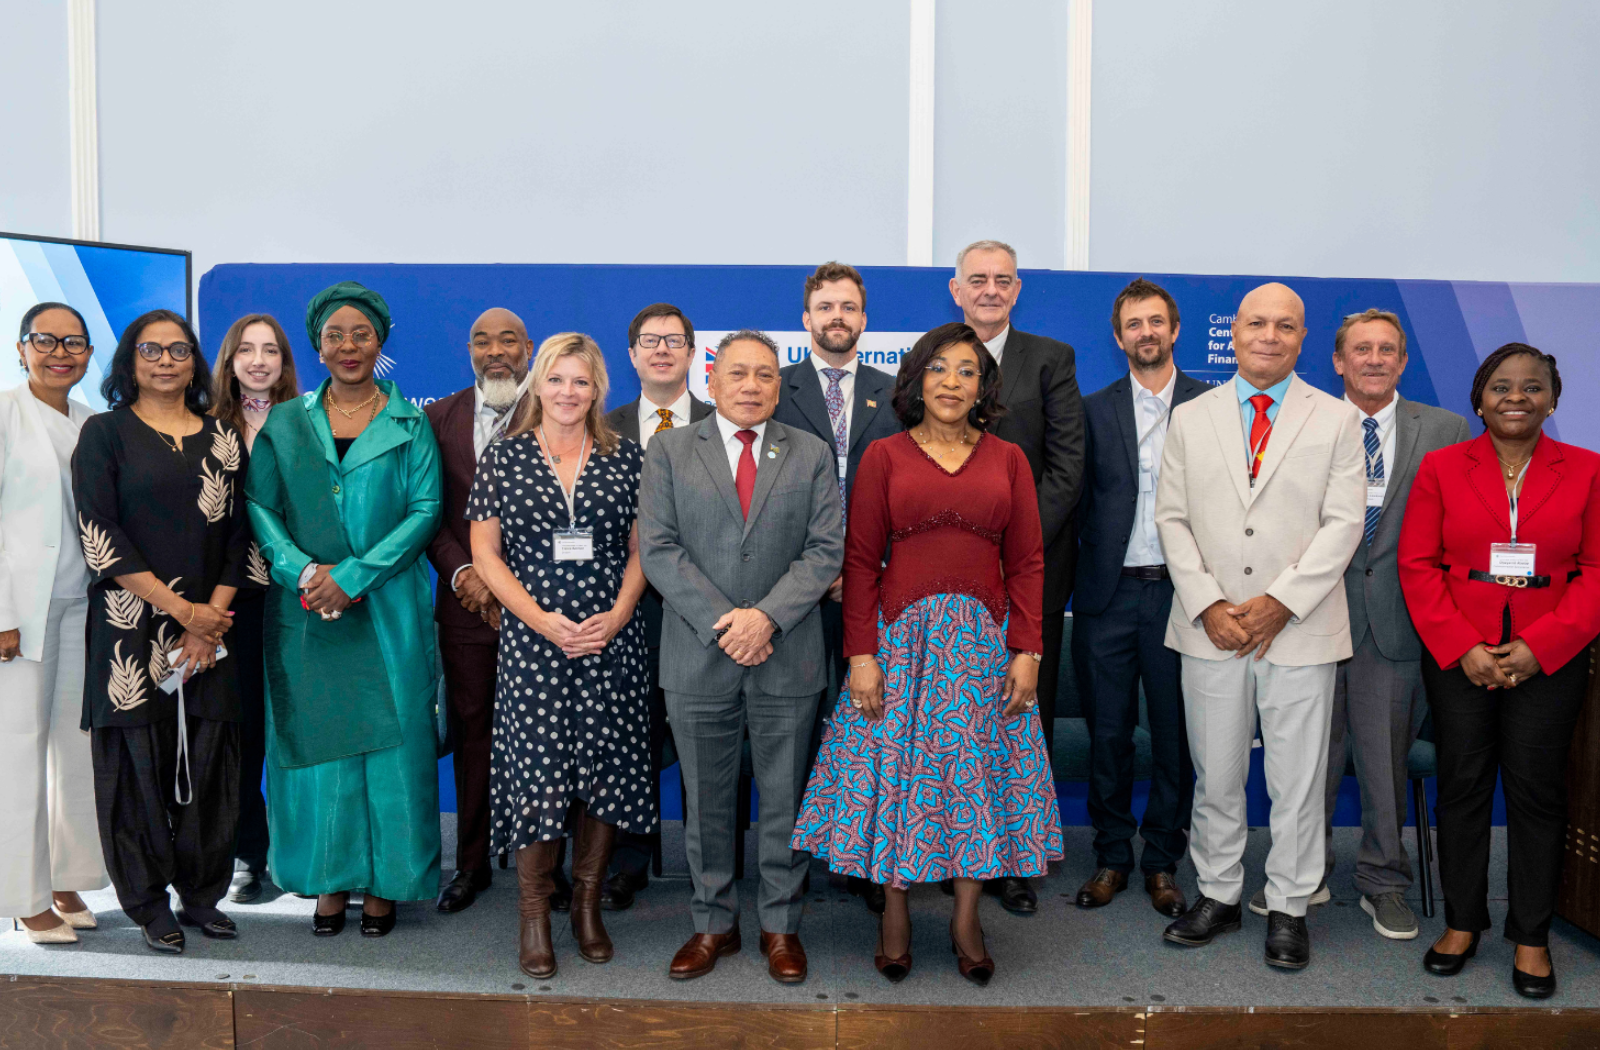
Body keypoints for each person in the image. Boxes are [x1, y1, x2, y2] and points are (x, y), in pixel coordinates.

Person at [794, 322, 1062, 986]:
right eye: (939, 368)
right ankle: (895, 910)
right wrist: (861, 655)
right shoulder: (884, 455)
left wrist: (1028, 649)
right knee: (899, 781)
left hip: (982, 650)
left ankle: (967, 917)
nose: (951, 382)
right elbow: (859, 562)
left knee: (974, 782)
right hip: (900, 647)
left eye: (966, 371)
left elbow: (1028, 562)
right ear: (917, 379)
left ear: (983, 387)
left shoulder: (1008, 460)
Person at [1154, 282, 1364, 971]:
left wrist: (1281, 601)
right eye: (1256, 324)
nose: (1269, 336)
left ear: (1304, 339)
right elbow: (1172, 519)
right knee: (1214, 773)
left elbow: (1343, 525)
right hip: (1209, 628)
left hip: (1298, 628)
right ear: (1233, 333)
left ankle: (1289, 906)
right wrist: (1209, 603)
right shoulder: (1192, 416)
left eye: (1285, 326)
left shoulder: (1336, 419)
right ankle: (1215, 893)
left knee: (1297, 779)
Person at [1242, 310, 1470, 937]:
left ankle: (1383, 880)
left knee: (1383, 758)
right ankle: (1302, 872)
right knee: (1304, 757)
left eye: (1386, 350)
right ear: (1337, 361)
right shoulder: (1301, 419)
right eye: (1360, 349)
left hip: (1394, 620)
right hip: (1306, 612)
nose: (1374, 359)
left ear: (1402, 362)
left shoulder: (1447, 430)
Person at [638, 330, 843, 985]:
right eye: (738, 374)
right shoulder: (669, 449)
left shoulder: (810, 453)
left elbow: (824, 551)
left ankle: (781, 927)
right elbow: (660, 549)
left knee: (786, 801)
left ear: (779, 386)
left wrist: (767, 620)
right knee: (707, 804)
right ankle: (712, 926)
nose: (752, 386)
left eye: (765, 375)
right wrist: (729, 623)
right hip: (699, 653)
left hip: (789, 654)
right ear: (713, 379)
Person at [1400, 343, 1600, 1000]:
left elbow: (1596, 571)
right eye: (1502, 387)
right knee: (1462, 788)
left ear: (1552, 398)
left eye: (1532, 387)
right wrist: (1462, 646)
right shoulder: (1440, 467)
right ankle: (1462, 924)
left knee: (1537, 796)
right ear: (1480, 398)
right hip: (1462, 656)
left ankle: (1532, 935)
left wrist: (1544, 645)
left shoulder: (1589, 471)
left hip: (1551, 657)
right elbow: (1419, 564)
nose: (1516, 397)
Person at [244, 281, 443, 938]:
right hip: (306, 615)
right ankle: (328, 883)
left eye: (361, 333)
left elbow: (424, 513)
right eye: (335, 334)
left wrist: (353, 577)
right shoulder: (285, 423)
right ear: (317, 344)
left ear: (380, 342)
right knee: (322, 748)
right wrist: (304, 571)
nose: (348, 346)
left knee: (391, 750)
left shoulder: (410, 424)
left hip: (388, 613)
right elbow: (261, 508)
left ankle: (387, 885)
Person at [467, 332, 654, 980]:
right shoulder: (504, 457)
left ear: (598, 389)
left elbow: (642, 550)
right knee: (540, 775)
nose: (568, 393)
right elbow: (485, 553)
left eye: (581, 381)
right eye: (557, 380)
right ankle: (533, 912)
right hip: (534, 642)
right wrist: (541, 619)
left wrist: (622, 613)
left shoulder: (627, 458)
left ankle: (585, 904)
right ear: (537, 385)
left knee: (605, 773)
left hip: (610, 641)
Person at [72, 309, 251, 954]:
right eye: (152, 349)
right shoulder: (104, 434)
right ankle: (148, 905)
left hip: (212, 631)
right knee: (136, 769)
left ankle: (202, 896)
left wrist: (208, 623)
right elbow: (101, 536)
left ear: (196, 363)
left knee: (210, 763)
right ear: (129, 361)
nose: (167, 361)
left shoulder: (224, 437)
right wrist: (183, 614)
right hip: (129, 630)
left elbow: (239, 538)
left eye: (180, 350)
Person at [948, 239, 1083, 915]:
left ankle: (1008, 860)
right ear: (956, 289)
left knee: (1019, 710)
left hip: (1028, 570)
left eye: (1003, 280)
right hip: (945, 581)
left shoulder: (1051, 360)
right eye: (978, 279)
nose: (990, 289)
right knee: (944, 720)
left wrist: (1011, 545)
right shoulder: (934, 357)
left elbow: (1066, 467)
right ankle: (944, 845)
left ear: (1018, 289)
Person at [1071, 279, 1206, 918]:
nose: (1145, 333)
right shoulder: (1090, 410)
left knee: (1176, 737)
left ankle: (1161, 860)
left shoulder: (1215, 405)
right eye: (1133, 324)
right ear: (1118, 336)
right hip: (1108, 595)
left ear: (1174, 330)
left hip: (1186, 598)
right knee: (1108, 734)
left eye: (1156, 322)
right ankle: (1111, 856)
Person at [772, 262, 902, 915]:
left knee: (872, 731)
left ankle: (871, 862)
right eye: (825, 306)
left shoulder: (897, 391)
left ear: (864, 318)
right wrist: (819, 573)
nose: (837, 317)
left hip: (879, 591)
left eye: (848, 306)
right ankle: (793, 866)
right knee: (797, 730)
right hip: (795, 594)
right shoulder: (776, 387)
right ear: (806, 319)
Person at [424, 307, 541, 916]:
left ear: (528, 347)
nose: (495, 352)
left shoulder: (556, 408)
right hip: (467, 606)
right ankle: (471, 863)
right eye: (481, 341)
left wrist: (520, 590)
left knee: (548, 740)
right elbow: (429, 513)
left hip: (547, 609)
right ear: (467, 349)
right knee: (473, 733)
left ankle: (544, 864)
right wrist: (468, 576)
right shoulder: (437, 417)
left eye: (508, 341)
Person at [1, 303, 109, 943]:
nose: (59, 352)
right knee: (16, 753)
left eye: (74, 342)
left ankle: (62, 875)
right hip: (22, 614)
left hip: (83, 609)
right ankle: (23, 894)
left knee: (74, 750)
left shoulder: (91, 422)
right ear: (21, 348)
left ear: (89, 354)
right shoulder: (7, 413)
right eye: (45, 340)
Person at [601, 302, 713, 911]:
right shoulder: (602, 426)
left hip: (705, 612)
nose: (662, 349)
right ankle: (628, 860)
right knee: (630, 741)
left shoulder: (723, 422)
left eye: (675, 340)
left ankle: (708, 863)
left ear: (694, 353)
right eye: (650, 340)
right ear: (632, 354)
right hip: (628, 613)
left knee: (706, 744)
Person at [208, 312, 301, 904]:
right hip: (228, 600)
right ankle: (250, 854)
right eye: (247, 350)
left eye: (271, 350)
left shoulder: (307, 424)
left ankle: (307, 852)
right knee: (240, 735)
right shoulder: (203, 427)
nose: (259, 360)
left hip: (297, 596)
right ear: (229, 360)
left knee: (297, 728)